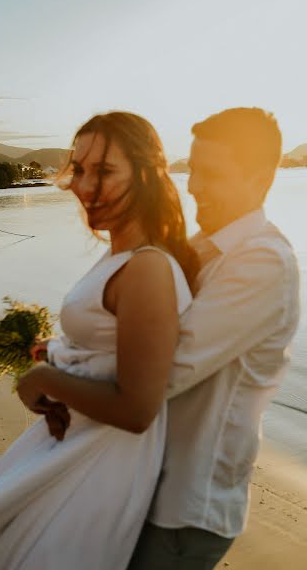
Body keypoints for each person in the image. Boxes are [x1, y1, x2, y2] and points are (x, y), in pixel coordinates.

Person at [0, 112, 196, 570]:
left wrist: (41, 377)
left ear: (146, 174)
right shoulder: (120, 256)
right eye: (79, 169)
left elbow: (139, 409)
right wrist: (56, 353)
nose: (84, 186)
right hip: (71, 446)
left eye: (104, 171)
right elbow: (107, 353)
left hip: (100, 468)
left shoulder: (147, 268)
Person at [127, 107, 300, 570]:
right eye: (194, 169)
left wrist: (63, 372)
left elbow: (165, 370)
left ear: (260, 177)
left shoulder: (263, 263)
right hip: (146, 485)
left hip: (186, 506)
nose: (194, 185)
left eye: (212, 174)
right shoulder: (202, 249)